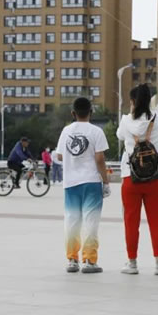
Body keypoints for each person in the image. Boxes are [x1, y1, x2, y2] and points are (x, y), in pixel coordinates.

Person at [117, 52, 158, 276]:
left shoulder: (125, 121)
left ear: (132, 102)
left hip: (130, 178)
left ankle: (132, 263)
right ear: (150, 100)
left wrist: (131, 113)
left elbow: (120, 136)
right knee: (156, 220)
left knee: (131, 221)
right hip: (155, 178)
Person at [54, 97, 110, 274]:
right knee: (91, 221)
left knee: (72, 221)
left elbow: (60, 156)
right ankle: (89, 261)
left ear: (73, 113)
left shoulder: (66, 131)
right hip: (91, 182)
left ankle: (72, 259)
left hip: (71, 183)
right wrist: (105, 181)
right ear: (91, 112)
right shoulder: (97, 132)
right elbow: (100, 159)